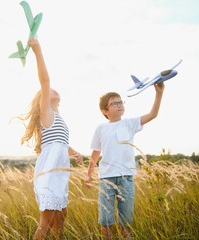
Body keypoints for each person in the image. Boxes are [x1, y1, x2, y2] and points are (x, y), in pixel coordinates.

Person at [19, 38, 83, 239]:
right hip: (50, 170)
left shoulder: (58, 118)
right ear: (43, 98)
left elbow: (61, 142)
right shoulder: (46, 111)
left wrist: (73, 152)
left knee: (61, 215)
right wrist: (37, 51)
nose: (52, 88)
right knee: (45, 222)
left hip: (60, 169)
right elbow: (45, 81)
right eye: (48, 91)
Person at [85, 83, 165, 239]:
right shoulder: (101, 128)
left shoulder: (130, 123)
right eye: (114, 103)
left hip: (126, 178)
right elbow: (95, 153)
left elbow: (152, 114)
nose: (119, 105)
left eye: (120, 102)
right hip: (106, 179)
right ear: (105, 111)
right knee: (106, 221)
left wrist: (159, 93)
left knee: (125, 221)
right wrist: (89, 175)